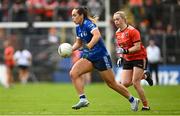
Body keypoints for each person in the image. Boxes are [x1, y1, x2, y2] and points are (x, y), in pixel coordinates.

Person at [69, 6, 140, 111]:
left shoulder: (89, 24)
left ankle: (132, 99)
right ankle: (82, 99)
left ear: (81, 15)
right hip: (90, 56)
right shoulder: (78, 27)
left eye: (74, 15)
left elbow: (97, 36)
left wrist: (88, 47)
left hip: (101, 56)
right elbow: (79, 43)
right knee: (73, 73)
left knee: (112, 84)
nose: (72, 18)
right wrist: (70, 49)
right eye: (72, 16)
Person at [113, 11, 152, 111]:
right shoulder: (117, 33)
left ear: (124, 19)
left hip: (139, 57)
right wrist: (121, 57)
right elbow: (122, 47)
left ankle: (146, 106)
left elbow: (138, 47)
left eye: (118, 19)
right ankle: (146, 75)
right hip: (128, 58)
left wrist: (125, 51)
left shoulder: (133, 31)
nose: (116, 21)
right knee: (124, 84)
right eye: (114, 20)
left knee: (135, 82)